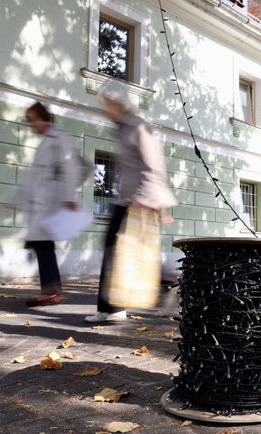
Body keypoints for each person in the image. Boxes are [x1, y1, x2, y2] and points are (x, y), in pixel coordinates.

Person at [85, 81, 177, 323]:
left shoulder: (138, 127)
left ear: (118, 103)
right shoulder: (123, 128)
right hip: (126, 199)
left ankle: (118, 307)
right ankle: (112, 308)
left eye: (107, 104)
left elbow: (153, 166)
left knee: (127, 251)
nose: (105, 109)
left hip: (138, 201)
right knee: (118, 249)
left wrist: (155, 203)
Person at [16, 102, 80, 307]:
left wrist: (69, 197)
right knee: (42, 246)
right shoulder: (47, 141)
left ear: (42, 118)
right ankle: (51, 290)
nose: (30, 124)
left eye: (31, 119)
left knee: (43, 247)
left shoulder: (58, 138)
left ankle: (51, 292)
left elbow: (70, 167)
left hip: (51, 203)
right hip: (42, 203)